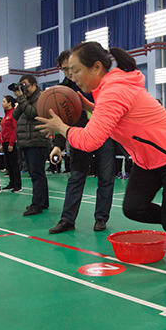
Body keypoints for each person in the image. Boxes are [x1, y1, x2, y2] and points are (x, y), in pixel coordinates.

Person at [36, 42, 166, 277]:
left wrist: (62, 128)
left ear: (96, 67)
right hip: (147, 159)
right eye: (69, 71)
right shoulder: (106, 87)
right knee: (133, 209)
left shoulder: (113, 90)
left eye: (76, 70)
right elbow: (116, 114)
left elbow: (90, 140)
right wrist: (91, 106)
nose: (73, 77)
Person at [48, 49, 117, 232]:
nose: (70, 73)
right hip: (79, 138)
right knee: (76, 178)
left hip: (105, 136)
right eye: (65, 69)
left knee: (106, 178)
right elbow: (60, 121)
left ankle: (101, 218)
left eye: (72, 68)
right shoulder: (62, 91)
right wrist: (57, 145)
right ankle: (67, 220)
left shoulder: (98, 83)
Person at [12, 75, 51, 216]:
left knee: (36, 175)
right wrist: (21, 98)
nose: (24, 89)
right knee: (37, 174)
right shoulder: (26, 99)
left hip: (37, 141)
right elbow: (15, 115)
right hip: (28, 141)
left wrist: (21, 98)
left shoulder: (41, 97)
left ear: (34, 85)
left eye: (26, 86)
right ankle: (43, 202)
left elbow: (32, 113)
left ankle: (37, 205)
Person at [1, 95, 22, 193]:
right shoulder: (6, 115)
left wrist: (11, 143)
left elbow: (15, 129)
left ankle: (18, 185)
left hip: (11, 142)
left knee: (14, 164)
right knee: (8, 163)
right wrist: (2, 143)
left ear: (9, 103)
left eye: (4, 101)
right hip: (5, 141)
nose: (2, 103)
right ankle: (11, 182)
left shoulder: (13, 114)